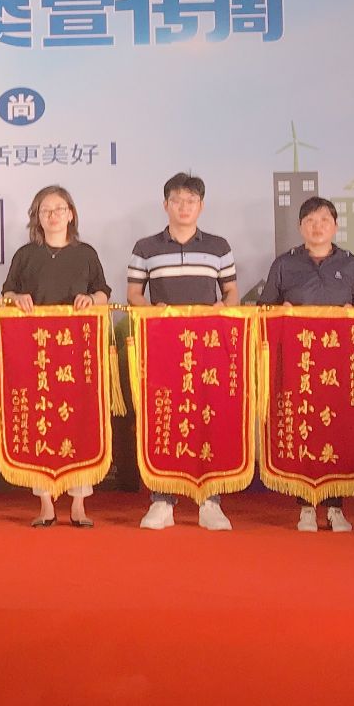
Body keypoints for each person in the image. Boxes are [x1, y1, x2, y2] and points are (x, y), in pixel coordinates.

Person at [127, 172, 239, 532]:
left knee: (209, 415)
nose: (184, 207)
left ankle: (210, 501)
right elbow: (133, 295)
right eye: (177, 200)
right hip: (164, 346)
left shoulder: (219, 246)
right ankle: (162, 500)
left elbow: (231, 293)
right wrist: (152, 312)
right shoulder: (146, 247)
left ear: (201, 206)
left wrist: (223, 310)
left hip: (208, 348)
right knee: (165, 415)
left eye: (191, 201)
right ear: (166, 205)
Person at [256, 196, 354, 532]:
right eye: (310, 220)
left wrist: (353, 315)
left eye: (324, 220)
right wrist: (282, 312)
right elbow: (264, 310)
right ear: (300, 227)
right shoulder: (284, 263)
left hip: (338, 365)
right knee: (302, 427)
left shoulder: (351, 264)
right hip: (298, 365)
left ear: (335, 226)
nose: (317, 226)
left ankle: (336, 507)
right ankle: (305, 506)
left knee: (336, 429)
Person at [2, 186, 110, 529]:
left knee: (79, 420)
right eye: (45, 210)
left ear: (71, 214)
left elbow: (104, 292)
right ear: (37, 217)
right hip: (37, 351)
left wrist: (92, 300)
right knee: (41, 418)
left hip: (76, 349)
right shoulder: (25, 254)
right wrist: (16, 298)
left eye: (59, 208)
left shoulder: (85, 253)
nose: (53, 215)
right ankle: (46, 503)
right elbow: (7, 292)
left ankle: (78, 504)